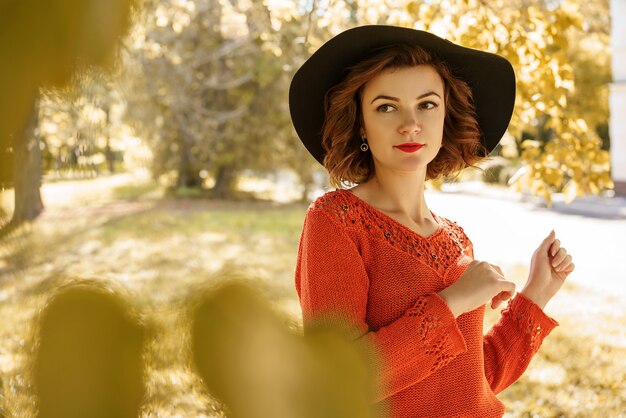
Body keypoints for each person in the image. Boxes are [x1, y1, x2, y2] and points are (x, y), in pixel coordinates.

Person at [289, 25, 575, 418]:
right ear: (360, 125)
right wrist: (454, 301)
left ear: (445, 115)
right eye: (386, 107)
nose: (410, 124)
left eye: (427, 104)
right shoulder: (335, 222)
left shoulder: (456, 238)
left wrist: (537, 293)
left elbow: (472, 382)